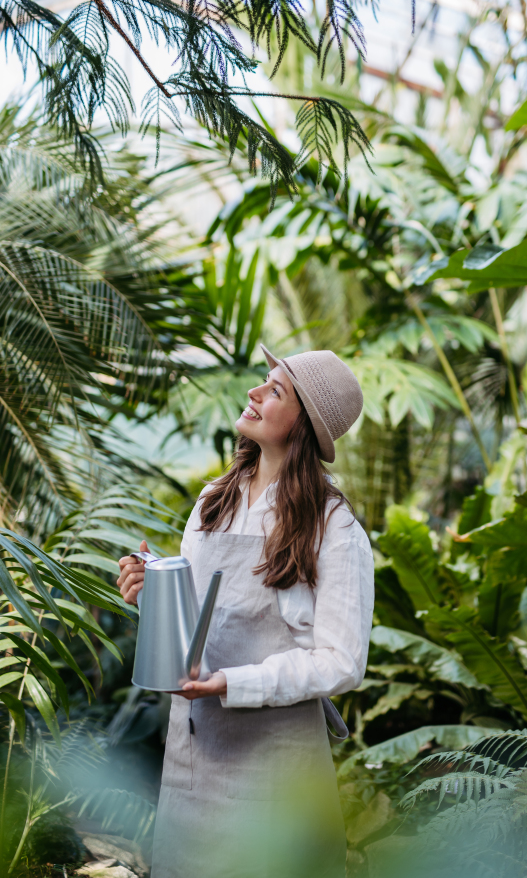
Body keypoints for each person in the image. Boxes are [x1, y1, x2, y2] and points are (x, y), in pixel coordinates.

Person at [117, 344, 375, 878]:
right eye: (264, 381)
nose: (255, 393)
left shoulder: (336, 528)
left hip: (276, 771)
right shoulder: (214, 501)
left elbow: (341, 661)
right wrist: (152, 593)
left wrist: (231, 684)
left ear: (303, 425)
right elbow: (194, 625)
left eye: (275, 391)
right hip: (194, 761)